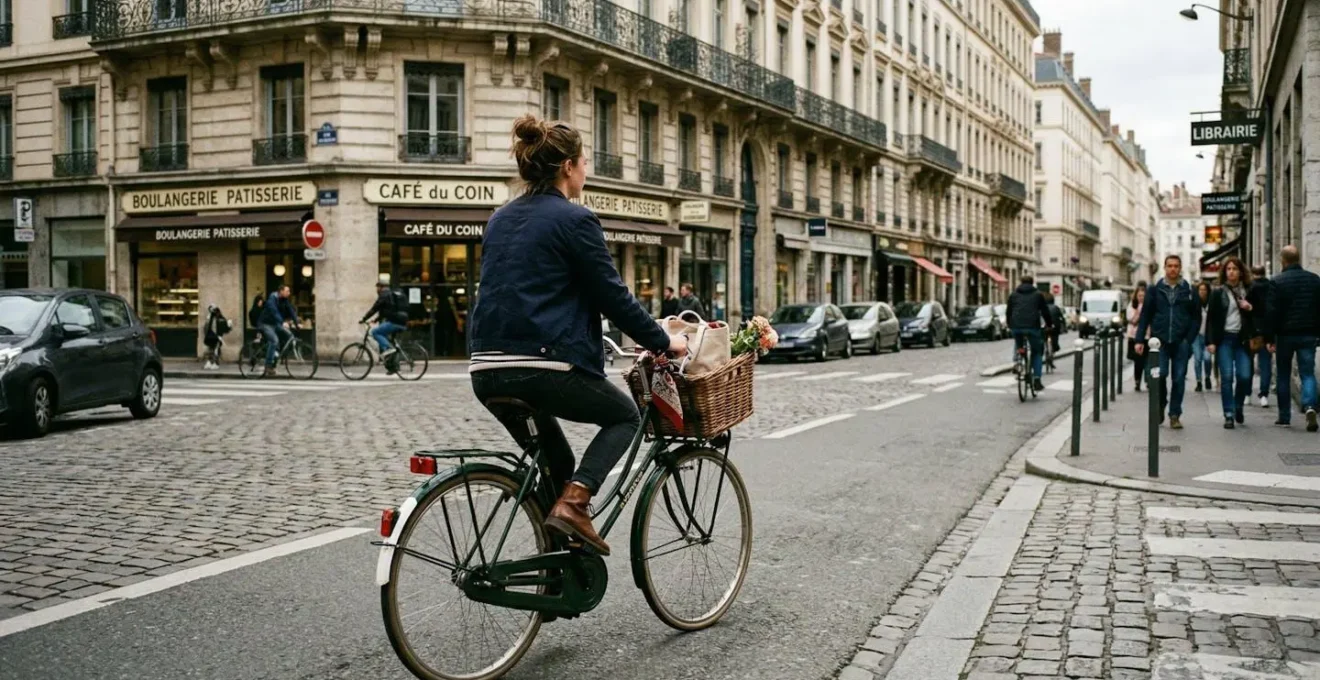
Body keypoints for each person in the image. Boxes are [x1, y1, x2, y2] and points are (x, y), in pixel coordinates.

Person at [468, 114, 687, 556]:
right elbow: (613, 297)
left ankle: (555, 570)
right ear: (568, 166)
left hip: (486, 369)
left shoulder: (499, 219)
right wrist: (665, 341)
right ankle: (576, 503)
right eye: (584, 160)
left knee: (559, 465)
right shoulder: (575, 219)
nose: (587, 168)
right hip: (545, 365)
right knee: (625, 417)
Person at [1135, 255, 1201, 430]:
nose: (1173, 269)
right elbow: (1145, 316)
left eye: (1176, 266)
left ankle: (1174, 414)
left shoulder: (1189, 291)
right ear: (1165, 268)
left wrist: (1189, 340)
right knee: (1159, 375)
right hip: (1160, 341)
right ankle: (1161, 402)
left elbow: (1196, 318)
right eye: (1170, 266)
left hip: (1181, 341)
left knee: (1179, 378)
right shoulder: (1154, 290)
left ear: (1181, 268)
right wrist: (1139, 339)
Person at [1267, 245, 1320, 432]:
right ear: (1298, 259)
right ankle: (1311, 406)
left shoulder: (1277, 282)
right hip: (1308, 333)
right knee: (1307, 373)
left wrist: (1270, 337)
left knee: (1283, 374)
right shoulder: (1315, 280)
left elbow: (1272, 312)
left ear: (1283, 260)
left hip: (1285, 335)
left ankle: (1284, 417)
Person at [1206, 257, 1256, 429]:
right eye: (1228, 269)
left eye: (1235, 269)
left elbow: (1260, 313)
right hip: (1225, 339)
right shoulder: (1218, 292)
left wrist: (1250, 307)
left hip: (1242, 340)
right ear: (1224, 272)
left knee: (1244, 376)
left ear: (1241, 271)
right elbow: (1211, 319)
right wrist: (1210, 341)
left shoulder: (1250, 290)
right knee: (1226, 377)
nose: (1232, 272)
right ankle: (1228, 414)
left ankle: (1238, 406)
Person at [1006, 275, 1052, 392]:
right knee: (1036, 352)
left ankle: (1017, 361)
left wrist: (1009, 325)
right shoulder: (1038, 295)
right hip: (1032, 327)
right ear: (1032, 283)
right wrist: (1049, 324)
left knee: (1019, 343)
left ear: (1020, 282)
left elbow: (1008, 312)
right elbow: (1045, 311)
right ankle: (1037, 379)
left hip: (1016, 326)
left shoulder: (1013, 294)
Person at [361, 280, 410, 367]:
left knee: (375, 332)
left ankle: (388, 349)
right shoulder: (391, 295)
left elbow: (375, 308)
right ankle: (393, 366)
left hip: (394, 322)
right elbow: (385, 311)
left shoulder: (384, 295)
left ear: (381, 287)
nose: (377, 289)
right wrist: (376, 320)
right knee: (388, 339)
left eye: (377, 287)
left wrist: (364, 318)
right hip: (402, 321)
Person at [258, 285, 299, 376]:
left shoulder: (284, 300)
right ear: (281, 291)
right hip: (266, 324)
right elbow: (274, 311)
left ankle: (276, 356)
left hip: (275, 324)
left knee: (289, 335)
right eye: (287, 291)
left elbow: (291, 310)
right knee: (274, 341)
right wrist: (282, 322)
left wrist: (296, 323)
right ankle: (268, 365)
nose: (289, 293)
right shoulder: (272, 299)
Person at [1250, 265, 1274, 407]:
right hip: (1267, 331)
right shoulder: (1271, 287)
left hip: (1252, 331)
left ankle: (1247, 393)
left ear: (1253, 274)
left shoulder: (1249, 288)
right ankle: (1264, 394)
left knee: (1247, 363)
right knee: (1265, 365)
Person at [1193, 281, 1214, 392]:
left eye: (1204, 290)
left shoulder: (1211, 303)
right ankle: (1198, 381)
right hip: (1196, 335)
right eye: (1200, 290)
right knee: (1197, 359)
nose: (1202, 292)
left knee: (1207, 358)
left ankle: (1207, 377)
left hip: (1208, 336)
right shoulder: (1194, 303)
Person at [1127, 287, 1147, 391]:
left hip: (1147, 336)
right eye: (1139, 296)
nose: (1141, 298)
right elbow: (1133, 320)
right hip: (1135, 336)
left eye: (1143, 296)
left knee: (1147, 360)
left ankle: (1148, 381)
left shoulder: (1149, 306)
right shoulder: (1132, 306)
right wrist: (1140, 311)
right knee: (1138, 361)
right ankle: (1137, 381)